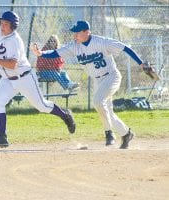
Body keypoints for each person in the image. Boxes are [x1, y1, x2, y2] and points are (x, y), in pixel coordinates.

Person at [31, 20, 147, 149]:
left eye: (77, 32)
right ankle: (126, 133)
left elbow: (125, 48)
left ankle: (109, 133)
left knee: (98, 102)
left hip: (112, 76)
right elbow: (56, 53)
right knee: (107, 112)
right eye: (74, 32)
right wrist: (41, 53)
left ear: (87, 32)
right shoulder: (74, 46)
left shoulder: (102, 42)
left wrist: (141, 63)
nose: (74, 35)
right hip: (98, 81)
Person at [0, 11, 76, 147]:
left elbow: (12, 64)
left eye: (6, 24)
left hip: (24, 78)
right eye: (1, 23)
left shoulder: (14, 41)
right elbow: (0, 52)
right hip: (7, 79)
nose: (2, 26)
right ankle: (2, 137)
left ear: (13, 26)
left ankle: (65, 115)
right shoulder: (0, 34)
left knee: (42, 106)